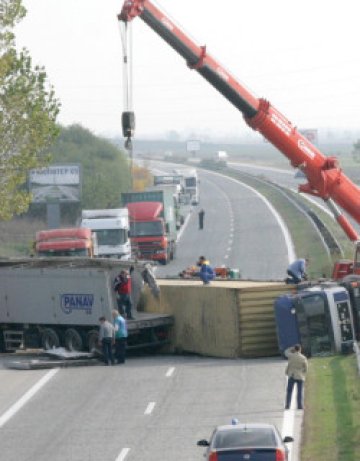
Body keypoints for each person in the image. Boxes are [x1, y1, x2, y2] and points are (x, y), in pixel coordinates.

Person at [284, 344, 308, 410]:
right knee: (299, 391)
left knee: (289, 391)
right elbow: (306, 368)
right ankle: (300, 406)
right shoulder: (303, 358)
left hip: (291, 375)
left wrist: (291, 348)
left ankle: (287, 405)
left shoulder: (291, 356)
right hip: (300, 376)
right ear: (300, 349)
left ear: (294, 349)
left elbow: (286, 352)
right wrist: (302, 373)